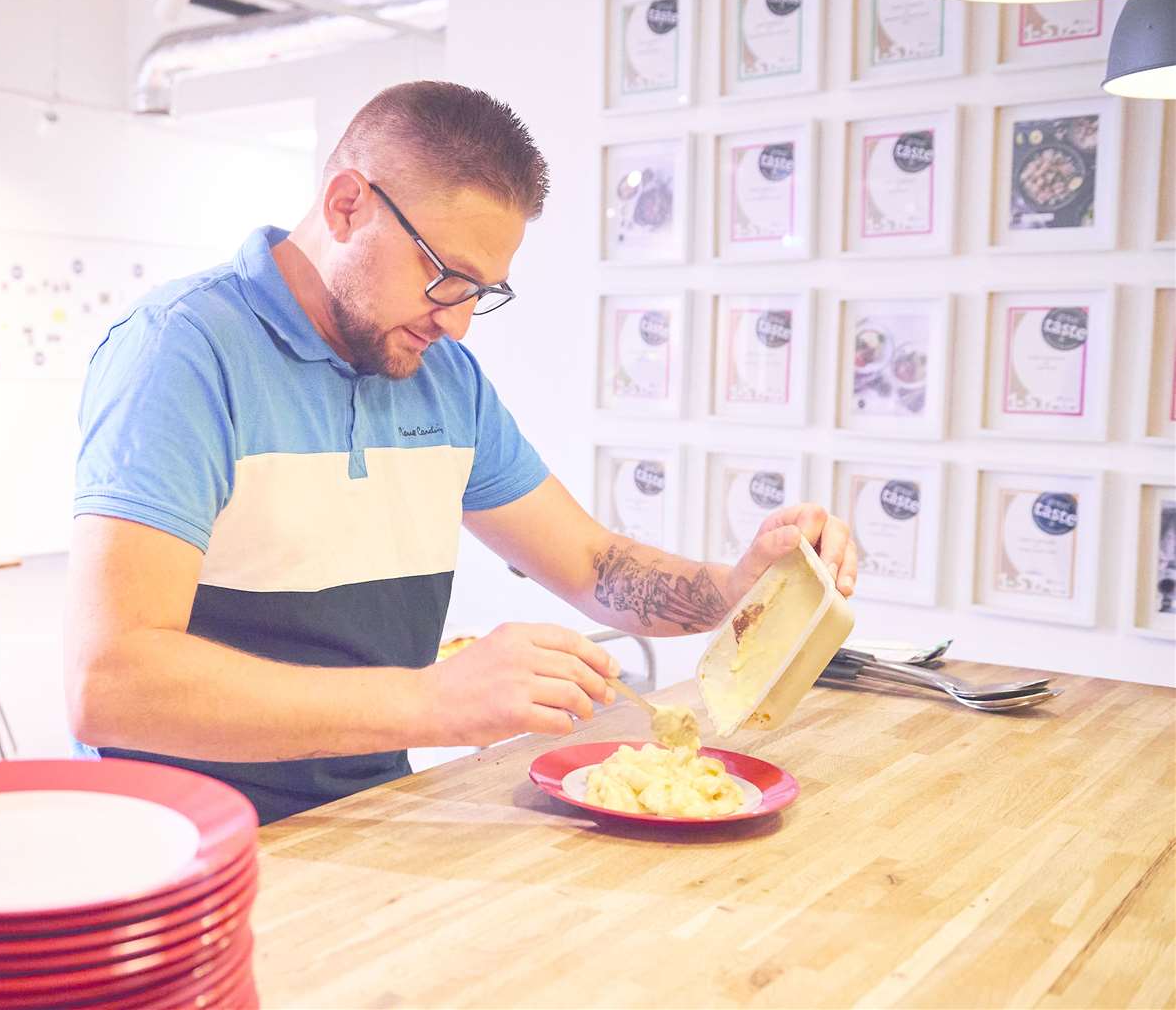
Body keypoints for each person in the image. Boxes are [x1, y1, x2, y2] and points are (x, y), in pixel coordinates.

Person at [64, 81, 856, 824]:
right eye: (446, 276)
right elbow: (111, 684)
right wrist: (432, 701)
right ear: (346, 205)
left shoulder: (442, 377)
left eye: (481, 292)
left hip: (365, 816)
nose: (458, 322)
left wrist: (736, 589)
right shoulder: (182, 351)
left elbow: (591, 565)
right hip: (184, 840)